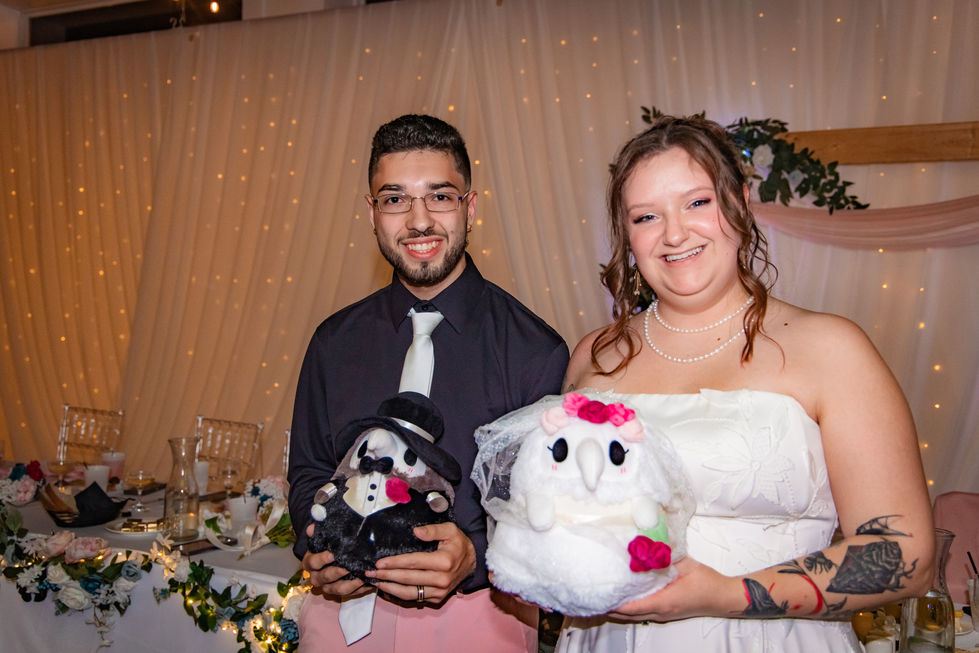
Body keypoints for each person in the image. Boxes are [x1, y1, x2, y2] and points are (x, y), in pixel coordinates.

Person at [556, 115, 934, 652]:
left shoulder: (831, 348)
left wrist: (728, 594)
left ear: (740, 201)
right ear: (626, 235)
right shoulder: (594, 355)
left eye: (697, 203)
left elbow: (904, 554)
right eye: (646, 216)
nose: (674, 233)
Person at [288, 114, 569, 652]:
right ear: (371, 212)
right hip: (339, 619)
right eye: (395, 200)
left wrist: (476, 557)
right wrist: (317, 544)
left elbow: (551, 513)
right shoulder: (333, 341)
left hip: (482, 617)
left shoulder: (536, 351)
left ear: (471, 205)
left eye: (439, 196)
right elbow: (307, 470)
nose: (419, 222)